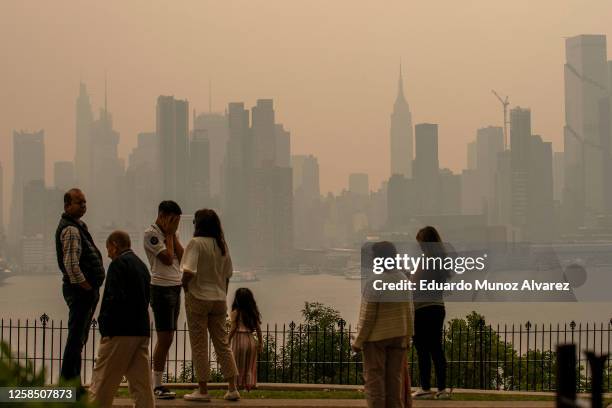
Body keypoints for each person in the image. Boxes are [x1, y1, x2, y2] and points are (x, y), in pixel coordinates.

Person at [181, 209, 240, 402]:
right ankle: (232, 387)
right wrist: (222, 292)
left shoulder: (195, 244)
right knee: (222, 343)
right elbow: (228, 274)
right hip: (218, 299)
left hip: (198, 297)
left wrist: (184, 287)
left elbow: (189, 270)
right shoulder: (222, 246)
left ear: (198, 225)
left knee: (199, 344)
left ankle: (203, 390)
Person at [89, 231, 154, 408]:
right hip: (141, 330)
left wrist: (105, 326)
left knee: (103, 381)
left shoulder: (118, 264)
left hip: (119, 331)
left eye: (108, 248)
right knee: (141, 384)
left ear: (115, 245)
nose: (108, 253)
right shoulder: (141, 266)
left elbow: (112, 298)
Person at [353, 241, 414, 408]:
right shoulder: (404, 279)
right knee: (395, 381)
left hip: (376, 339)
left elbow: (367, 318)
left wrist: (358, 342)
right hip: (399, 337)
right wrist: (408, 337)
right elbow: (409, 312)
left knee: (375, 381)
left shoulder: (374, 282)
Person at [55, 188, 105, 387]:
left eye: (84, 202)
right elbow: (71, 265)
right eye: (79, 203)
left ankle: (73, 383)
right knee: (76, 339)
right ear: (67, 206)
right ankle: (67, 385)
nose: (84, 206)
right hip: (80, 291)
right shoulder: (71, 229)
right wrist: (86, 286)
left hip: (83, 291)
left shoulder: (78, 226)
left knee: (79, 339)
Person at [143, 200, 184, 399]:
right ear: (162, 215)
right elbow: (167, 258)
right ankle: (156, 384)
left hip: (176, 287)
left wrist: (173, 235)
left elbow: (182, 256)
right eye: (173, 220)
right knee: (164, 337)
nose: (176, 224)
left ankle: (158, 382)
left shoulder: (172, 234)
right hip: (161, 289)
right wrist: (168, 234)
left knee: (169, 336)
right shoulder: (151, 234)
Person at [411, 226, 450, 400]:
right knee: (436, 349)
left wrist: (407, 276)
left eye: (420, 243)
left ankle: (425, 387)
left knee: (422, 349)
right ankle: (442, 388)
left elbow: (415, 286)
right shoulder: (441, 261)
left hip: (422, 309)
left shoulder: (426, 260)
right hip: (437, 308)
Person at [229, 288, 263, 391]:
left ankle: (238, 385)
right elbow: (258, 329)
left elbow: (233, 328)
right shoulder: (252, 312)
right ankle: (248, 385)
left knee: (237, 364)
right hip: (250, 340)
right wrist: (260, 343)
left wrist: (227, 340)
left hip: (239, 340)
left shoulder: (235, 313)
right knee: (250, 365)